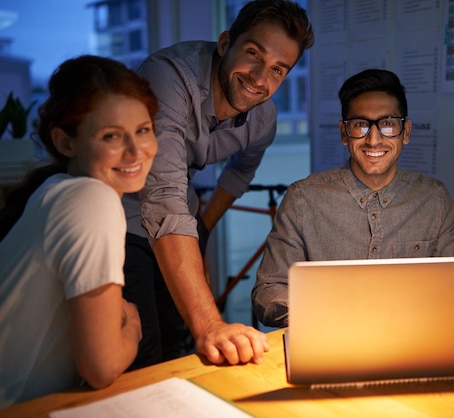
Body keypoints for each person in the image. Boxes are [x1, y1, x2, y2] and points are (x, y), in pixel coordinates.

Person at [121, 0, 314, 368]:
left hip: (176, 216)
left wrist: (205, 225)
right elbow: (163, 197)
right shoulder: (168, 78)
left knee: (177, 350)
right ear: (226, 43)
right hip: (117, 215)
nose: (260, 78)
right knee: (141, 354)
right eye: (253, 53)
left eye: (278, 70)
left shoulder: (264, 119)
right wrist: (211, 325)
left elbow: (240, 172)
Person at [252, 69, 454, 328]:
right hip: (330, 345)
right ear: (344, 133)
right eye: (360, 125)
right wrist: (320, 317)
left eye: (387, 124)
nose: (373, 140)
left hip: (412, 345)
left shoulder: (434, 198)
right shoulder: (304, 199)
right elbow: (269, 290)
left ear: (405, 131)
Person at [0, 55, 158, 406]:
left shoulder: (58, 187)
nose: (135, 152)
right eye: (111, 136)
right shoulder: (93, 200)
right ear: (66, 142)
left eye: (143, 130)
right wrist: (132, 329)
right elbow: (101, 368)